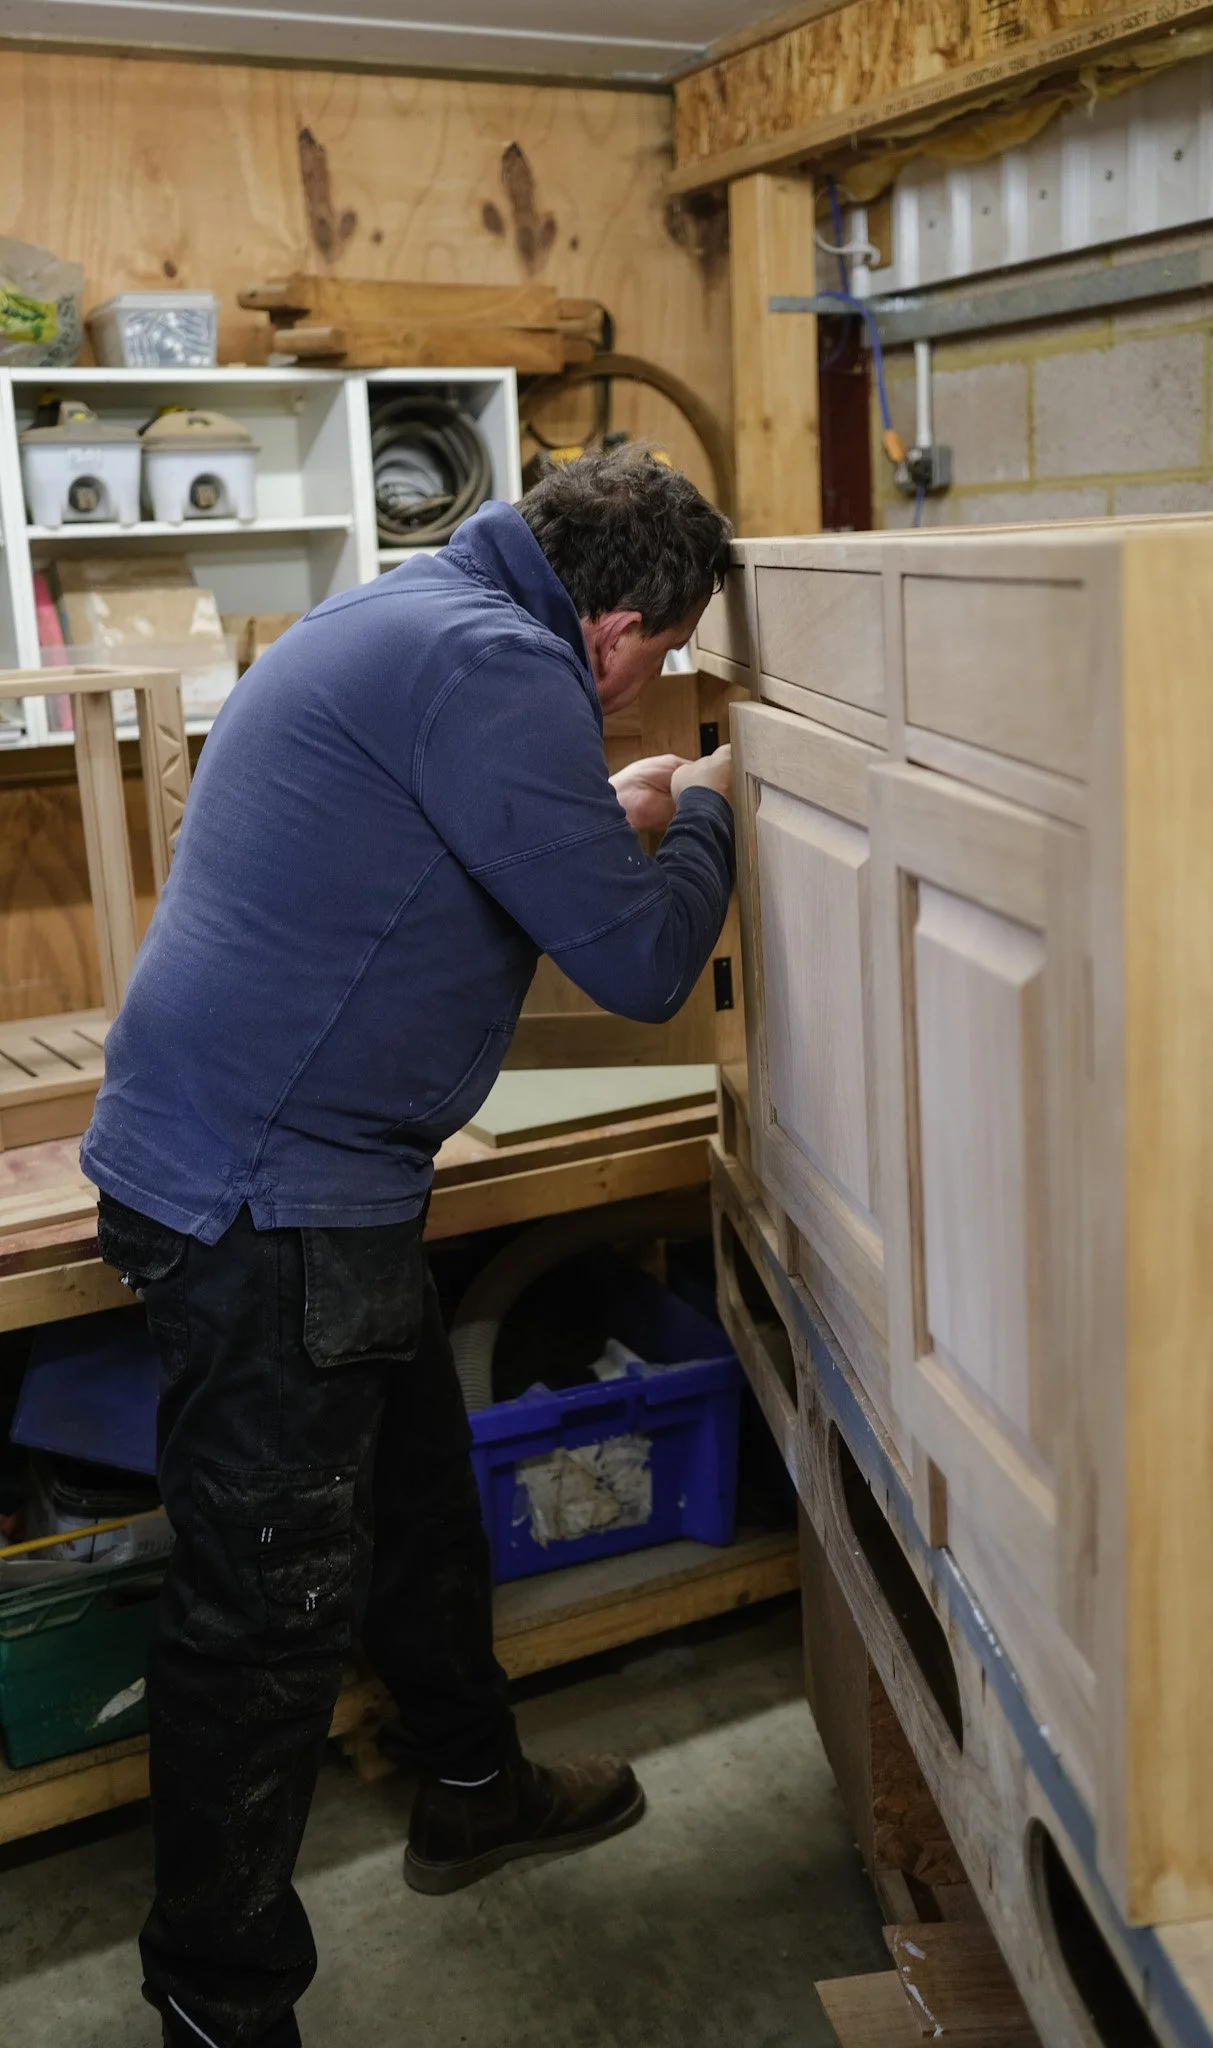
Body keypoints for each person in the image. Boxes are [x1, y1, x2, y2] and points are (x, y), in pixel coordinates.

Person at [82, 447, 736, 2048]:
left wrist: (606, 815)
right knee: (266, 1614)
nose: (646, 688)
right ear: (618, 628)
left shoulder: (416, 613)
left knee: (420, 1502)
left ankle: (470, 1787)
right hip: (267, 1200)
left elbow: (426, 839)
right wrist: (715, 809)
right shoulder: (506, 667)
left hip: (266, 1167)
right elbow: (647, 965)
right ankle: (219, 1999)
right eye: (662, 659)